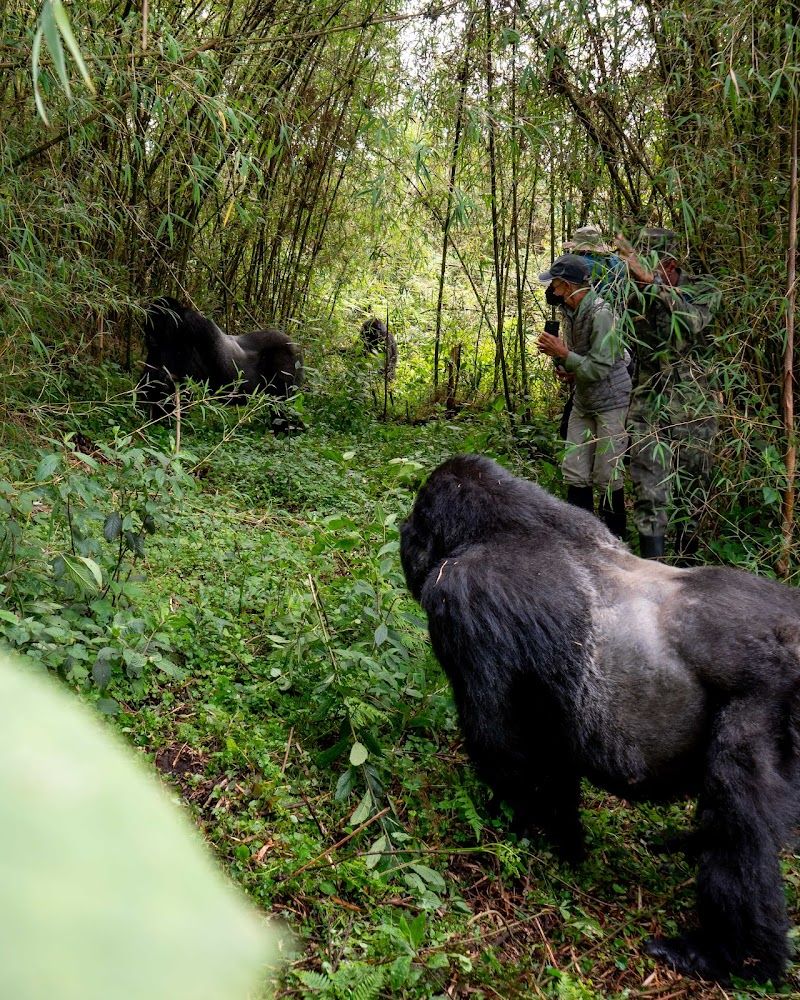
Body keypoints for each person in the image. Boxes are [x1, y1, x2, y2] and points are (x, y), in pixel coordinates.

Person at [616, 227, 720, 560]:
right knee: (649, 492)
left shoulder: (704, 290)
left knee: (693, 493)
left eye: (650, 262)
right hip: (649, 408)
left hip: (695, 410)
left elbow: (691, 322)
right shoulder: (637, 295)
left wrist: (653, 284)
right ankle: (654, 574)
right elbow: (629, 343)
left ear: (670, 263)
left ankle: (689, 572)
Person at [537, 253, 631, 539]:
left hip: (611, 401)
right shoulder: (571, 311)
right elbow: (584, 361)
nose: (551, 290)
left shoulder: (602, 313)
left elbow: (601, 367)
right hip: (584, 399)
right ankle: (581, 541)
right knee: (574, 470)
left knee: (608, 476)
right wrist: (568, 368)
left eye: (554, 284)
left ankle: (615, 543)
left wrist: (565, 354)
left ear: (566, 285)